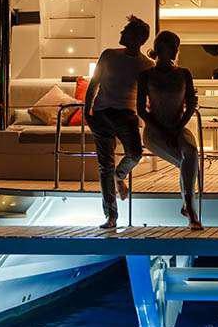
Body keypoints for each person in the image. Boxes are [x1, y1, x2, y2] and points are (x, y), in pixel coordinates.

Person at [84, 15, 154, 228]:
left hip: (126, 115)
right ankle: (111, 216)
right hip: (102, 114)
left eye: (126, 31)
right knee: (104, 166)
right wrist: (87, 111)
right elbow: (94, 83)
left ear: (137, 38)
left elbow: (146, 95)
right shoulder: (108, 55)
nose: (121, 33)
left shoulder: (146, 65)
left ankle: (119, 175)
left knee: (135, 153)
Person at [137, 30, 203, 230]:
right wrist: (163, 130)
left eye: (174, 47)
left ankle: (188, 206)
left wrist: (177, 127)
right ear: (159, 49)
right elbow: (141, 110)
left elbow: (191, 104)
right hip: (154, 130)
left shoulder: (184, 74)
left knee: (191, 152)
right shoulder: (146, 75)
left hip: (178, 126)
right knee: (187, 163)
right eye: (170, 47)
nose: (173, 51)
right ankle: (190, 210)